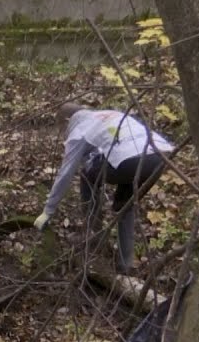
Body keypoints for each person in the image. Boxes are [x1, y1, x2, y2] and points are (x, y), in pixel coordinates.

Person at [34, 103, 174, 273]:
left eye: (63, 127)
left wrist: (48, 210)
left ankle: (93, 237)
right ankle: (126, 264)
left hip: (130, 159)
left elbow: (66, 172)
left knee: (86, 174)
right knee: (124, 206)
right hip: (160, 156)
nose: (64, 132)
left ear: (67, 120)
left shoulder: (80, 129)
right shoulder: (107, 115)